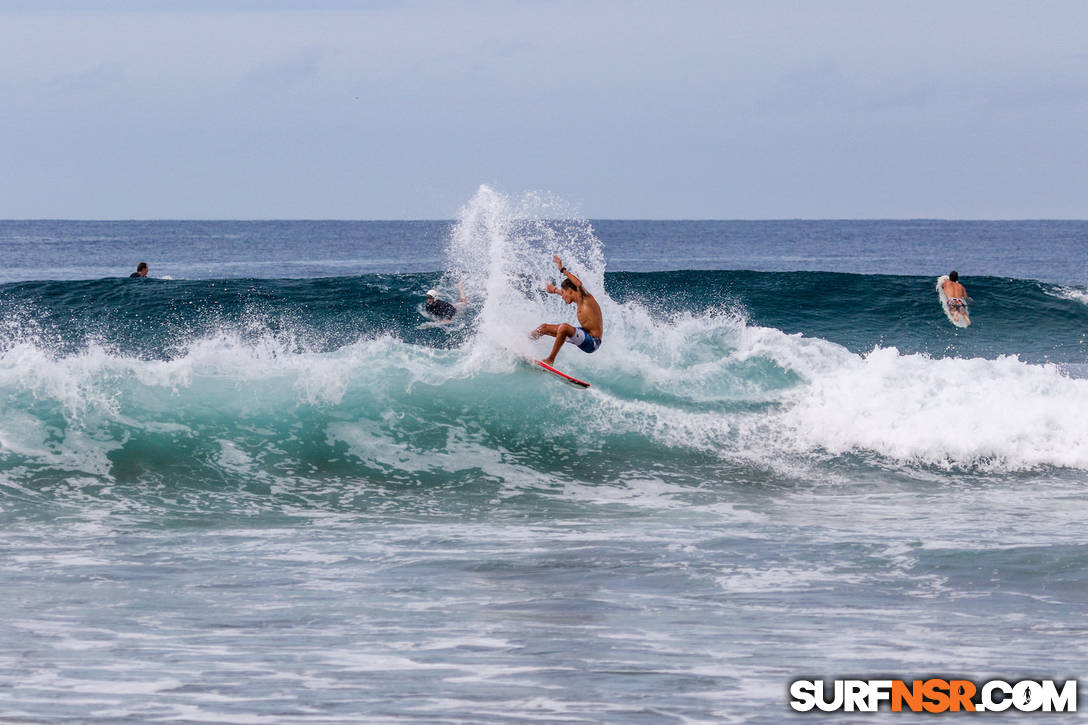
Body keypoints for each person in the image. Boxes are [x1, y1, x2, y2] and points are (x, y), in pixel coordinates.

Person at [530, 254, 603, 365]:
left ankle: (550, 360)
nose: (562, 296)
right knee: (543, 328)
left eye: (564, 293)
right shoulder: (577, 300)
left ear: (570, 291)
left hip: (592, 342)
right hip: (584, 334)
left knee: (564, 327)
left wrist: (562, 269)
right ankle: (522, 342)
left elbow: (578, 284)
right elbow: (563, 293)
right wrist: (554, 290)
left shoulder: (586, 298)